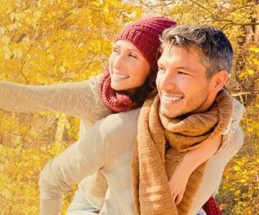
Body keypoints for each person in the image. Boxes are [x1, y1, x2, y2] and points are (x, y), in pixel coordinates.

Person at [39, 24, 245, 215]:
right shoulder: (120, 130)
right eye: (162, 69)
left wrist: (188, 165)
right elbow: (52, 180)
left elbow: (230, 117)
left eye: (182, 72)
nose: (165, 84)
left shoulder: (230, 138)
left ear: (218, 81)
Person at [0, 17, 178, 213]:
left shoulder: (169, 100)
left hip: (137, 203)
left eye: (132, 56)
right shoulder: (94, 95)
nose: (117, 64)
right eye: (116, 51)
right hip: (90, 202)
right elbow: (27, 97)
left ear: (155, 66)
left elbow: (214, 116)